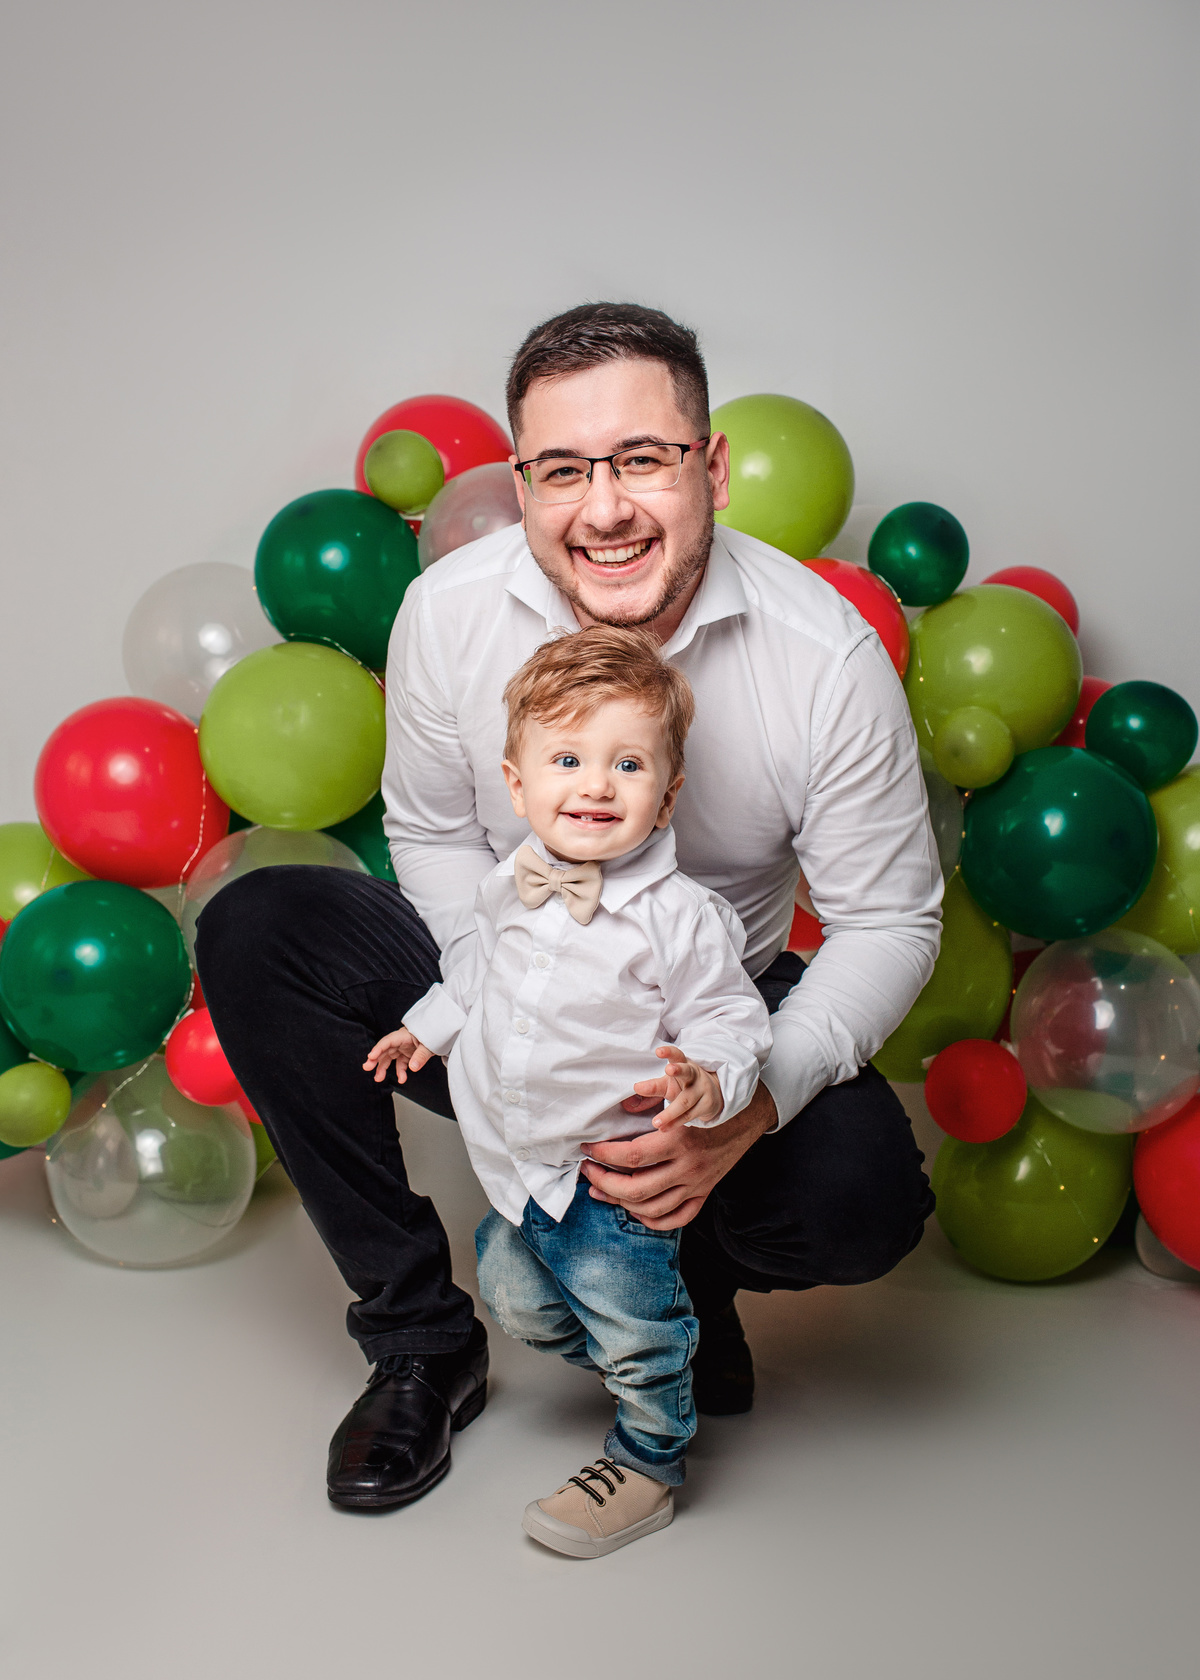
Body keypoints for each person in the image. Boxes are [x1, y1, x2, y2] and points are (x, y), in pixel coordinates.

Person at [196, 301, 942, 1516]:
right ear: (522, 483)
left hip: (708, 1010)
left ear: (712, 469)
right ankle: (420, 1343)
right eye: (563, 470)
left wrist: (744, 1106)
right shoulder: (449, 614)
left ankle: (681, 1283)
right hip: (504, 959)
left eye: (642, 459)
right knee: (259, 926)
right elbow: (433, 831)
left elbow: (890, 922)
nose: (604, 511)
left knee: (861, 1198)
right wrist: (495, 988)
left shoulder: (823, 658)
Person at [362, 625, 772, 1555]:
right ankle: (664, 1354)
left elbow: (731, 1019)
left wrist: (707, 1076)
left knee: (632, 1322)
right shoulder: (509, 887)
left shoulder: (680, 919)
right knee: (514, 1297)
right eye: (568, 759)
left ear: (668, 794)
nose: (596, 785)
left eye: (628, 764)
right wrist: (425, 1029)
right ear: (517, 785)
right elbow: (476, 975)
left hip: (610, 1176)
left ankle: (649, 1454)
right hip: (521, 1168)